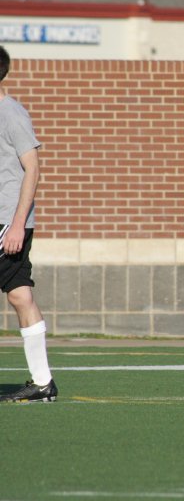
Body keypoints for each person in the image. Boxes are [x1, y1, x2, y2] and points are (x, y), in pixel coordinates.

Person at [0, 45, 57, 402]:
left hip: (8, 222)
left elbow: (32, 168)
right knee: (21, 295)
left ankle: (42, 383)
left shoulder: (11, 114)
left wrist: (18, 224)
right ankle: (42, 383)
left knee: (21, 295)